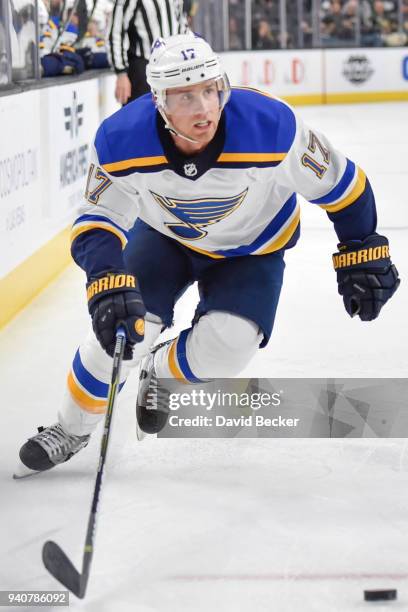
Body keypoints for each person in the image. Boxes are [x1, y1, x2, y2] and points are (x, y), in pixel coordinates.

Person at [16, 33, 400, 475]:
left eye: (210, 89)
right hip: (166, 239)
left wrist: (362, 247)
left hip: (253, 249)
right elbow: (97, 218)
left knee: (228, 348)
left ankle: (160, 373)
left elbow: (344, 186)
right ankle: (70, 427)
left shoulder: (270, 126)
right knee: (121, 339)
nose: (203, 107)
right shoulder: (122, 139)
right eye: (184, 96)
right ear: (158, 102)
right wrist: (105, 277)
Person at [109, 0, 189, 105]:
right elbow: (116, 31)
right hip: (144, 70)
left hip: (174, 66)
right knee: (142, 117)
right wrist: (121, 73)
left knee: (175, 117)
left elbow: (182, 24)